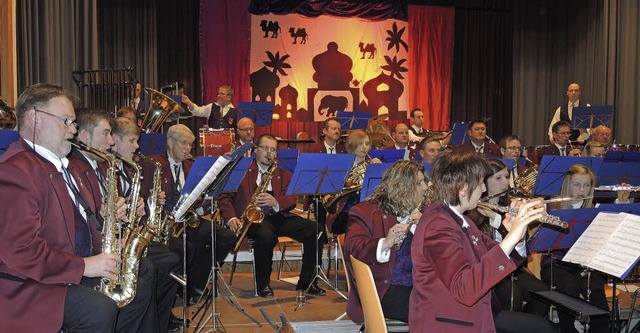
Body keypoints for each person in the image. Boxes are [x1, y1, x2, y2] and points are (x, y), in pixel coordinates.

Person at [0, 83, 150, 332]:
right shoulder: (15, 171)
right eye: (67, 120)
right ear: (36, 119)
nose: (74, 129)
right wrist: (85, 266)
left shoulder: (57, 166)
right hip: (29, 286)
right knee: (99, 310)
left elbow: (76, 225)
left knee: (138, 291)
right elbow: (23, 251)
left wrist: (105, 238)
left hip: (56, 273)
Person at [410, 151, 555, 333]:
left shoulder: (458, 218)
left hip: (474, 315)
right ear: (463, 188)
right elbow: (465, 289)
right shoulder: (438, 226)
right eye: (479, 183)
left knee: (543, 327)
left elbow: (493, 252)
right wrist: (512, 236)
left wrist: (515, 236)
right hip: (450, 324)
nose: (484, 190)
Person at [219, 134, 326, 299]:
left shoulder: (282, 173)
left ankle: (308, 282)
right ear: (256, 150)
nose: (269, 153)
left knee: (315, 230)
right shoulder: (241, 170)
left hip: (277, 215)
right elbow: (224, 197)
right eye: (265, 148)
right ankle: (263, 285)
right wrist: (231, 218)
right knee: (266, 235)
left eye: (273, 149)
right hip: (251, 219)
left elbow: (291, 200)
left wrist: (276, 202)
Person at [148, 124, 237, 302]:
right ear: (170, 142)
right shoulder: (153, 163)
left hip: (188, 219)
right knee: (193, 243)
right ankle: (185, 289)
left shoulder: (191, 166)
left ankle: (197, 282)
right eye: (184, 143)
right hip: (167, 222)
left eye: (190, 144)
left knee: (227, 237)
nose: (188, 148)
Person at [111, 117, 184, 332]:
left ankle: (161, 318)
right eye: (132, 141)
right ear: (115, 140)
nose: (137, 146)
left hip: (133, 233)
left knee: (173, 258)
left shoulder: (130, 169)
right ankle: (154, 321)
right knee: (161, 263)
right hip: (121, 239)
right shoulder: (109, 167)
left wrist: (147, 200)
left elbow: (136, 199)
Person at [344, 160, 427, 324]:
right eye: (419, 183)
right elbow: (351, 248)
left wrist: (422, 227)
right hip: (386, 289)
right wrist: (385, 243)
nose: (425, 187)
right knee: (440, 310)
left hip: (421, 285)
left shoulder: (424, 211)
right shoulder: (366, 211)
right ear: (403, 187)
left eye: (424, 181)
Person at [466, 159, 551, 319]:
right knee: (512, 294)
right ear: (484, 182)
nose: (506, 183)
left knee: (543, 293)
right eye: (498, 178)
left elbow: (522, 252)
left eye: (507, 177)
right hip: (490, 271)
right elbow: (482, 252)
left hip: (515, 268)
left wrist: (519, 221)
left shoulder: (511, 205)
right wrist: (497, 220)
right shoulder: (472, 211)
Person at [539, 164, 609, 333]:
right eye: (577, 185)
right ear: (567, 185)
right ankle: (567, 329)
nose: (582, 190)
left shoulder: (594, 211)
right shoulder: (552, 207)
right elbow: (543, 241)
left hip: (583, 265)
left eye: (586, 185)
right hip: (555, 264)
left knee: (596, 290)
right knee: (569, 288)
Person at [325, 129, 381, 235]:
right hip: (345, 212)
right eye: (360, 143)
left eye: (367, 143)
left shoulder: (372, 164)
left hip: (369, 210)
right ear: (352, 145)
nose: (365, 147)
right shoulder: (341, 165)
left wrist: (377, 171)